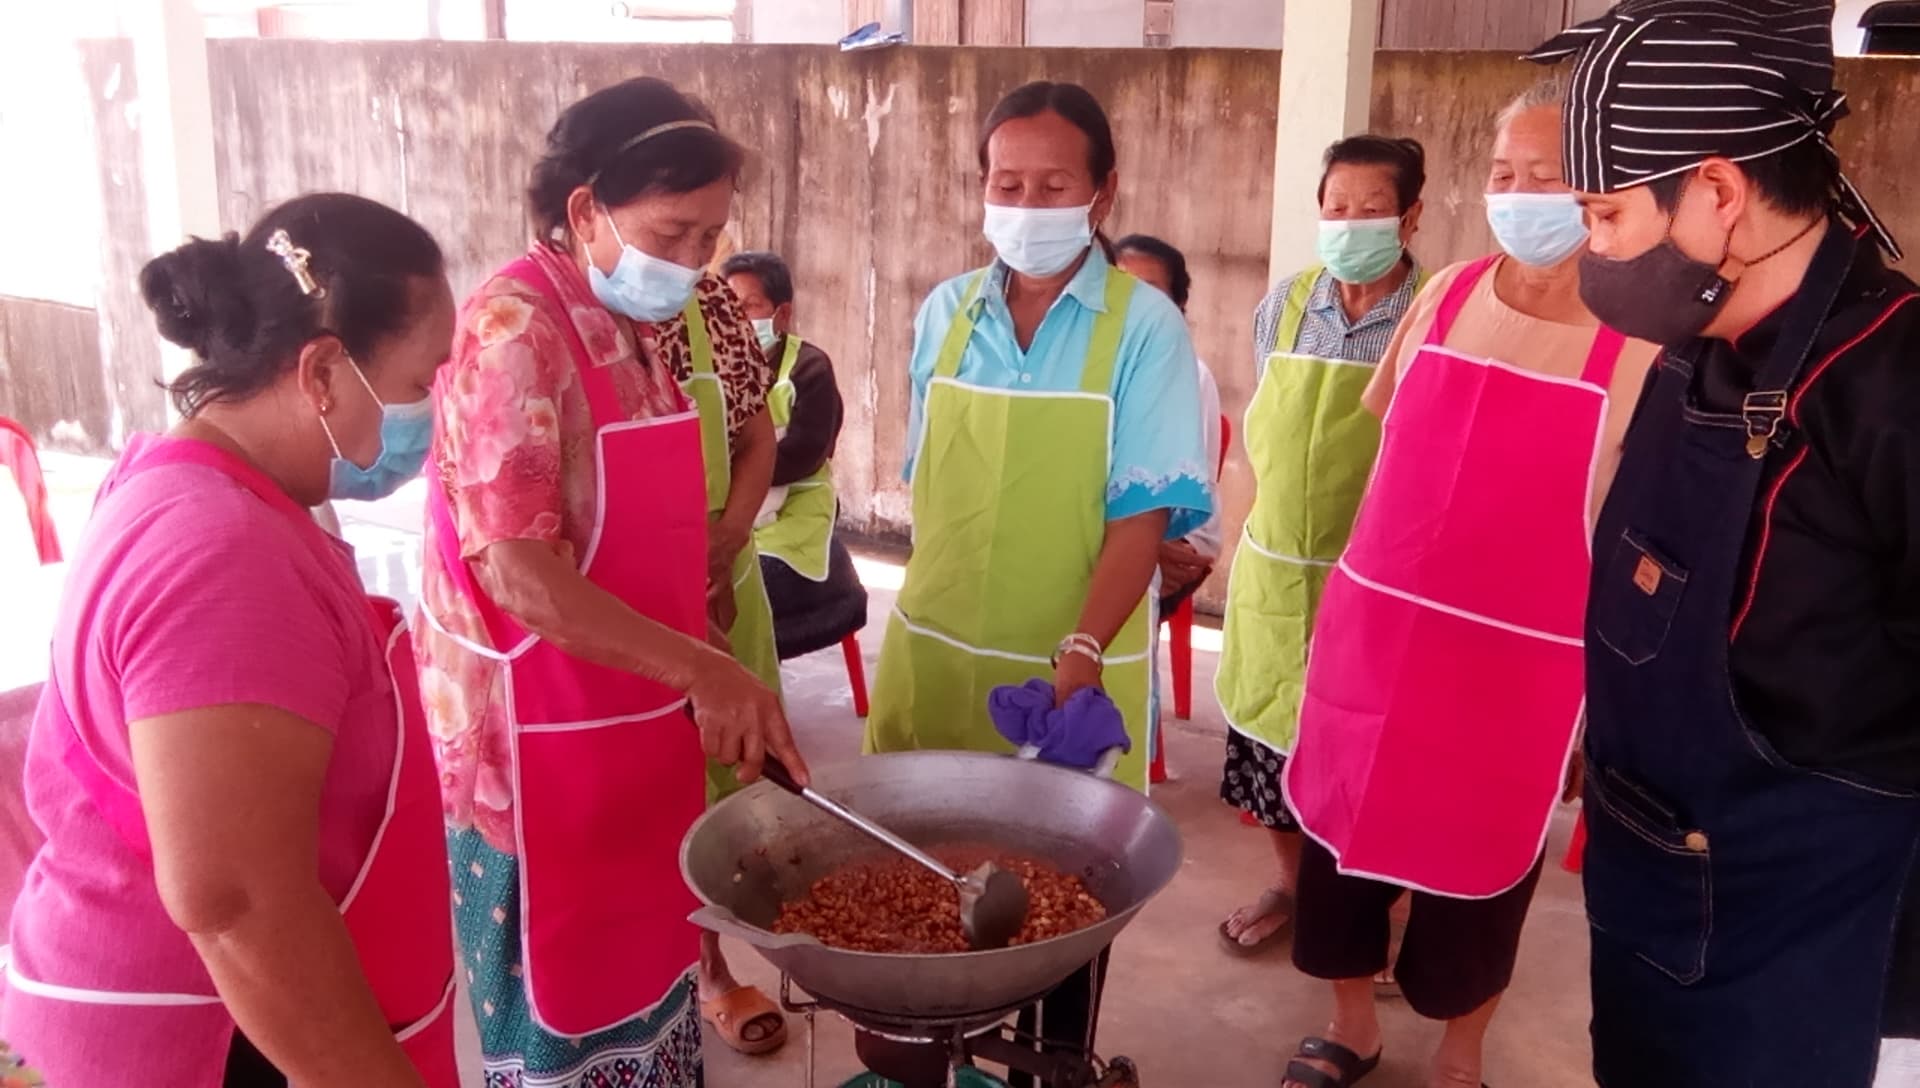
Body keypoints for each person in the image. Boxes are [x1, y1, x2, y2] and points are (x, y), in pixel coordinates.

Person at [1526, 3, 1920, 1085]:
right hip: (1655, 906)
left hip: (1816, 959)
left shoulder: (1893, 387)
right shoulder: (1694, 348)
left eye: (1603, 215)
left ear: (1717, 191)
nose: (1589, 249)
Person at [0, 193, 462, 1086]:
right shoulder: (225, 554)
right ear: (322, 370)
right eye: (418, 384)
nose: (427, 420)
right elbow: (240, 903)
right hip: (193, 1037)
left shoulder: (189, 481)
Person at [414, 76, 807, 1088]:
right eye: (674, 233)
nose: (694, 263)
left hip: (634, 735)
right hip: (535, 764)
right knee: (567, 1029)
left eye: (710, 237)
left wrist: (721, 667)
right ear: (584, 209)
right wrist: (697, 669)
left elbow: (637, 541)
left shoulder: (635, 327)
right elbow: (520, 570)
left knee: (654, 992)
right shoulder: (514, 329)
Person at [1275, 81, 1658, 1088]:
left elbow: (1638, 540)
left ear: (1607, 195)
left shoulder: (1643, 347)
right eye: (1504, 174)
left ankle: (1460, 1054)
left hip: (1514, 670)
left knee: (1482, 868)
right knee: (1343, 842)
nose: (1520, 194)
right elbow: (1390, 444)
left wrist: (1600, 708)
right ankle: (1350, 1025)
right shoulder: (1444, 296)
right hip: (1377, 635)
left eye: (1548, 177)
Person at [866, 80, 1212, 1061]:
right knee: (921, 885)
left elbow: (1141, 517)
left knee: (1055, 906)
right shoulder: (947, 312)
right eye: (1004, 180)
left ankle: (1048, 1061)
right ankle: (939, 1055)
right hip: (934, 651)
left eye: (1051, 182)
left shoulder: (1143, 328)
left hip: (1065, 672)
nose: (1024, 201)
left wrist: (1080, 648)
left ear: (1101, 194)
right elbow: (931, 483)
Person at [1214, 135, 1429, 955]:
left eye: (1370, 208)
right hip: (1276, 570)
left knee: (1374, 754)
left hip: (1377, 575)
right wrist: (1238, 548)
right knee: (1270, 747)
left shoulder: (1430, 312)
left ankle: (1384, 911)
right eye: (1335, 207)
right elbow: (1259, 440)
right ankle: (1295, 887)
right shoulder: (1287, 303)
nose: (1348, 223)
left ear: (1409, 216)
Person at [1112, 235, 1223, 617]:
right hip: (1103, 535)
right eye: (1120, 287)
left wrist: (1145, 549)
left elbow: (1178, 491)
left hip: (1179, 532)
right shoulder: (1082, 368)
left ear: (1178, 307)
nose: (1132, 305)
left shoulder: (1191, 375)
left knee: (1134, 583)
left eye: (1150, 293)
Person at [723, 250, 846, 584]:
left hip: (796, 508)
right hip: (734, 502)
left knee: (752, 579)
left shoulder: (810, 368)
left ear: (782, 313)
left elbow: (807, 452)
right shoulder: (716, 368)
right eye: (730, 306)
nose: (737, 317)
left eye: (749, 306)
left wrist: (740, 472)